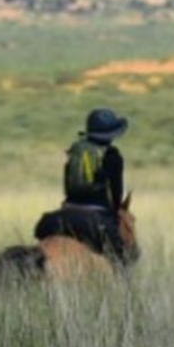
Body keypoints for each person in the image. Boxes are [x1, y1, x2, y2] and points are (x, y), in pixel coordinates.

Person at [33, 107, 137, 268]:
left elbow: (69, 186)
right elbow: (116, 195)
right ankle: (121, 287)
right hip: (96, 216)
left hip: (65, 211)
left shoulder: (76, 151)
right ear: (112, 134)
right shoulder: (113, 156)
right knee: (121, 259)